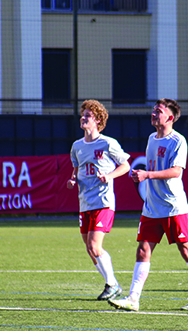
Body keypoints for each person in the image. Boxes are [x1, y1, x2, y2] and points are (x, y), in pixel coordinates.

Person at [108, 98, 188, 311]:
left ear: (170, 117)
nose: (154, 113)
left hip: (173, 207)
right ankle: (133, 299)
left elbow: (176, 172)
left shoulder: (178, 141)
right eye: (154, 110)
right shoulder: (151, 138)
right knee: (143, 250)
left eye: (159, 111)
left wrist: (147, 174)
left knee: (186, 250)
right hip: (152, 208)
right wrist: (141, 175)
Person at [67, 99, 130, 301]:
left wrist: (109, 176)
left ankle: (111, 285)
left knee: (95, 246)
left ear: (98, 120)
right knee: (89, 248)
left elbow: (125, 166)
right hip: (85, 202)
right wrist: (72, 179)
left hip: (103, 202)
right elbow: (76, 169)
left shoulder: (107, 143)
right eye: (83, 114)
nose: (83, 118)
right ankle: (113, 285)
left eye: (88, 116)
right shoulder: (76, 146)